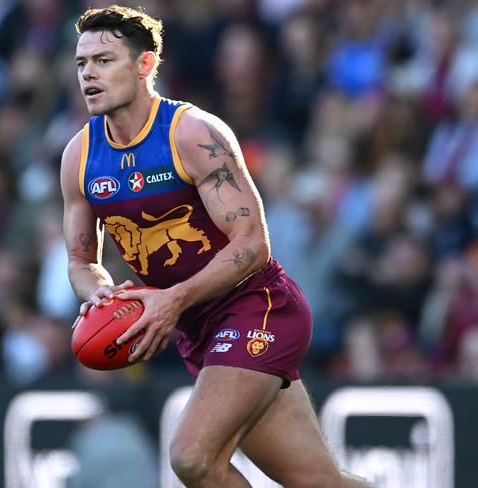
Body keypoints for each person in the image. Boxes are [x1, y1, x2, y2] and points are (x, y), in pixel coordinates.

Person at [60, 5, 376, 488]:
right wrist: (99, 292)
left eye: (103, 60)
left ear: (144, 65)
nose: (88, 74)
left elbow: (254, 246)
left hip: (257, 307)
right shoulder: (79, 157)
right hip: (197, 329)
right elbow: (82, 260)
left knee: (192, 456)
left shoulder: (192, 134)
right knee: (319, 482)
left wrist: (174, 298)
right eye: (81, 63)